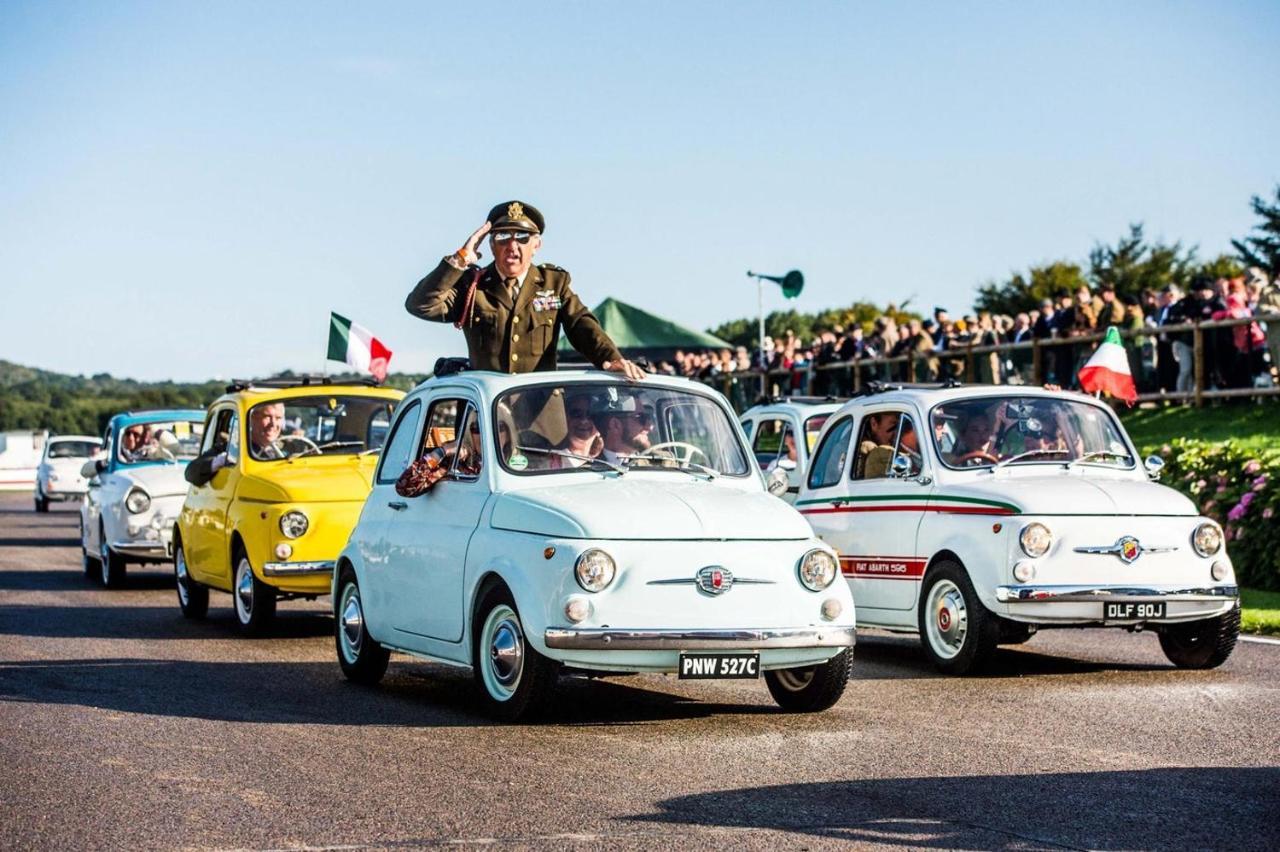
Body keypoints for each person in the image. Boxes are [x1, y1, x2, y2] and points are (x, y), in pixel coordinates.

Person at [405, 201, 644, 380]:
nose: (512, 246)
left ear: (536, 245)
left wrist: (611, 360)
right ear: (490, 245)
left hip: (542, 425)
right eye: (502, 237)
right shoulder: (473, 285)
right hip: (488, 417)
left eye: (522, 238)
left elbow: (582, 325)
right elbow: (421, 305)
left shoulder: (553, 284)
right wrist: (461, 259)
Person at [590, 392, 654, 465]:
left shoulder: (664, 464)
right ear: (615, 425)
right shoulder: (584, 472)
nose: (650, 427)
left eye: (648, 417)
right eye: (641, 418)